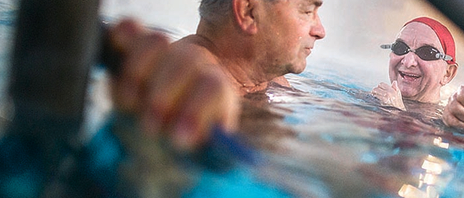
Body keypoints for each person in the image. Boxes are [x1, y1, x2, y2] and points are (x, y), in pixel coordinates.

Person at [106, 0, 326, 152]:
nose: (320, 30)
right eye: (307, 11)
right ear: (248, 12)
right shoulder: (188, 87)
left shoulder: (266, 80)